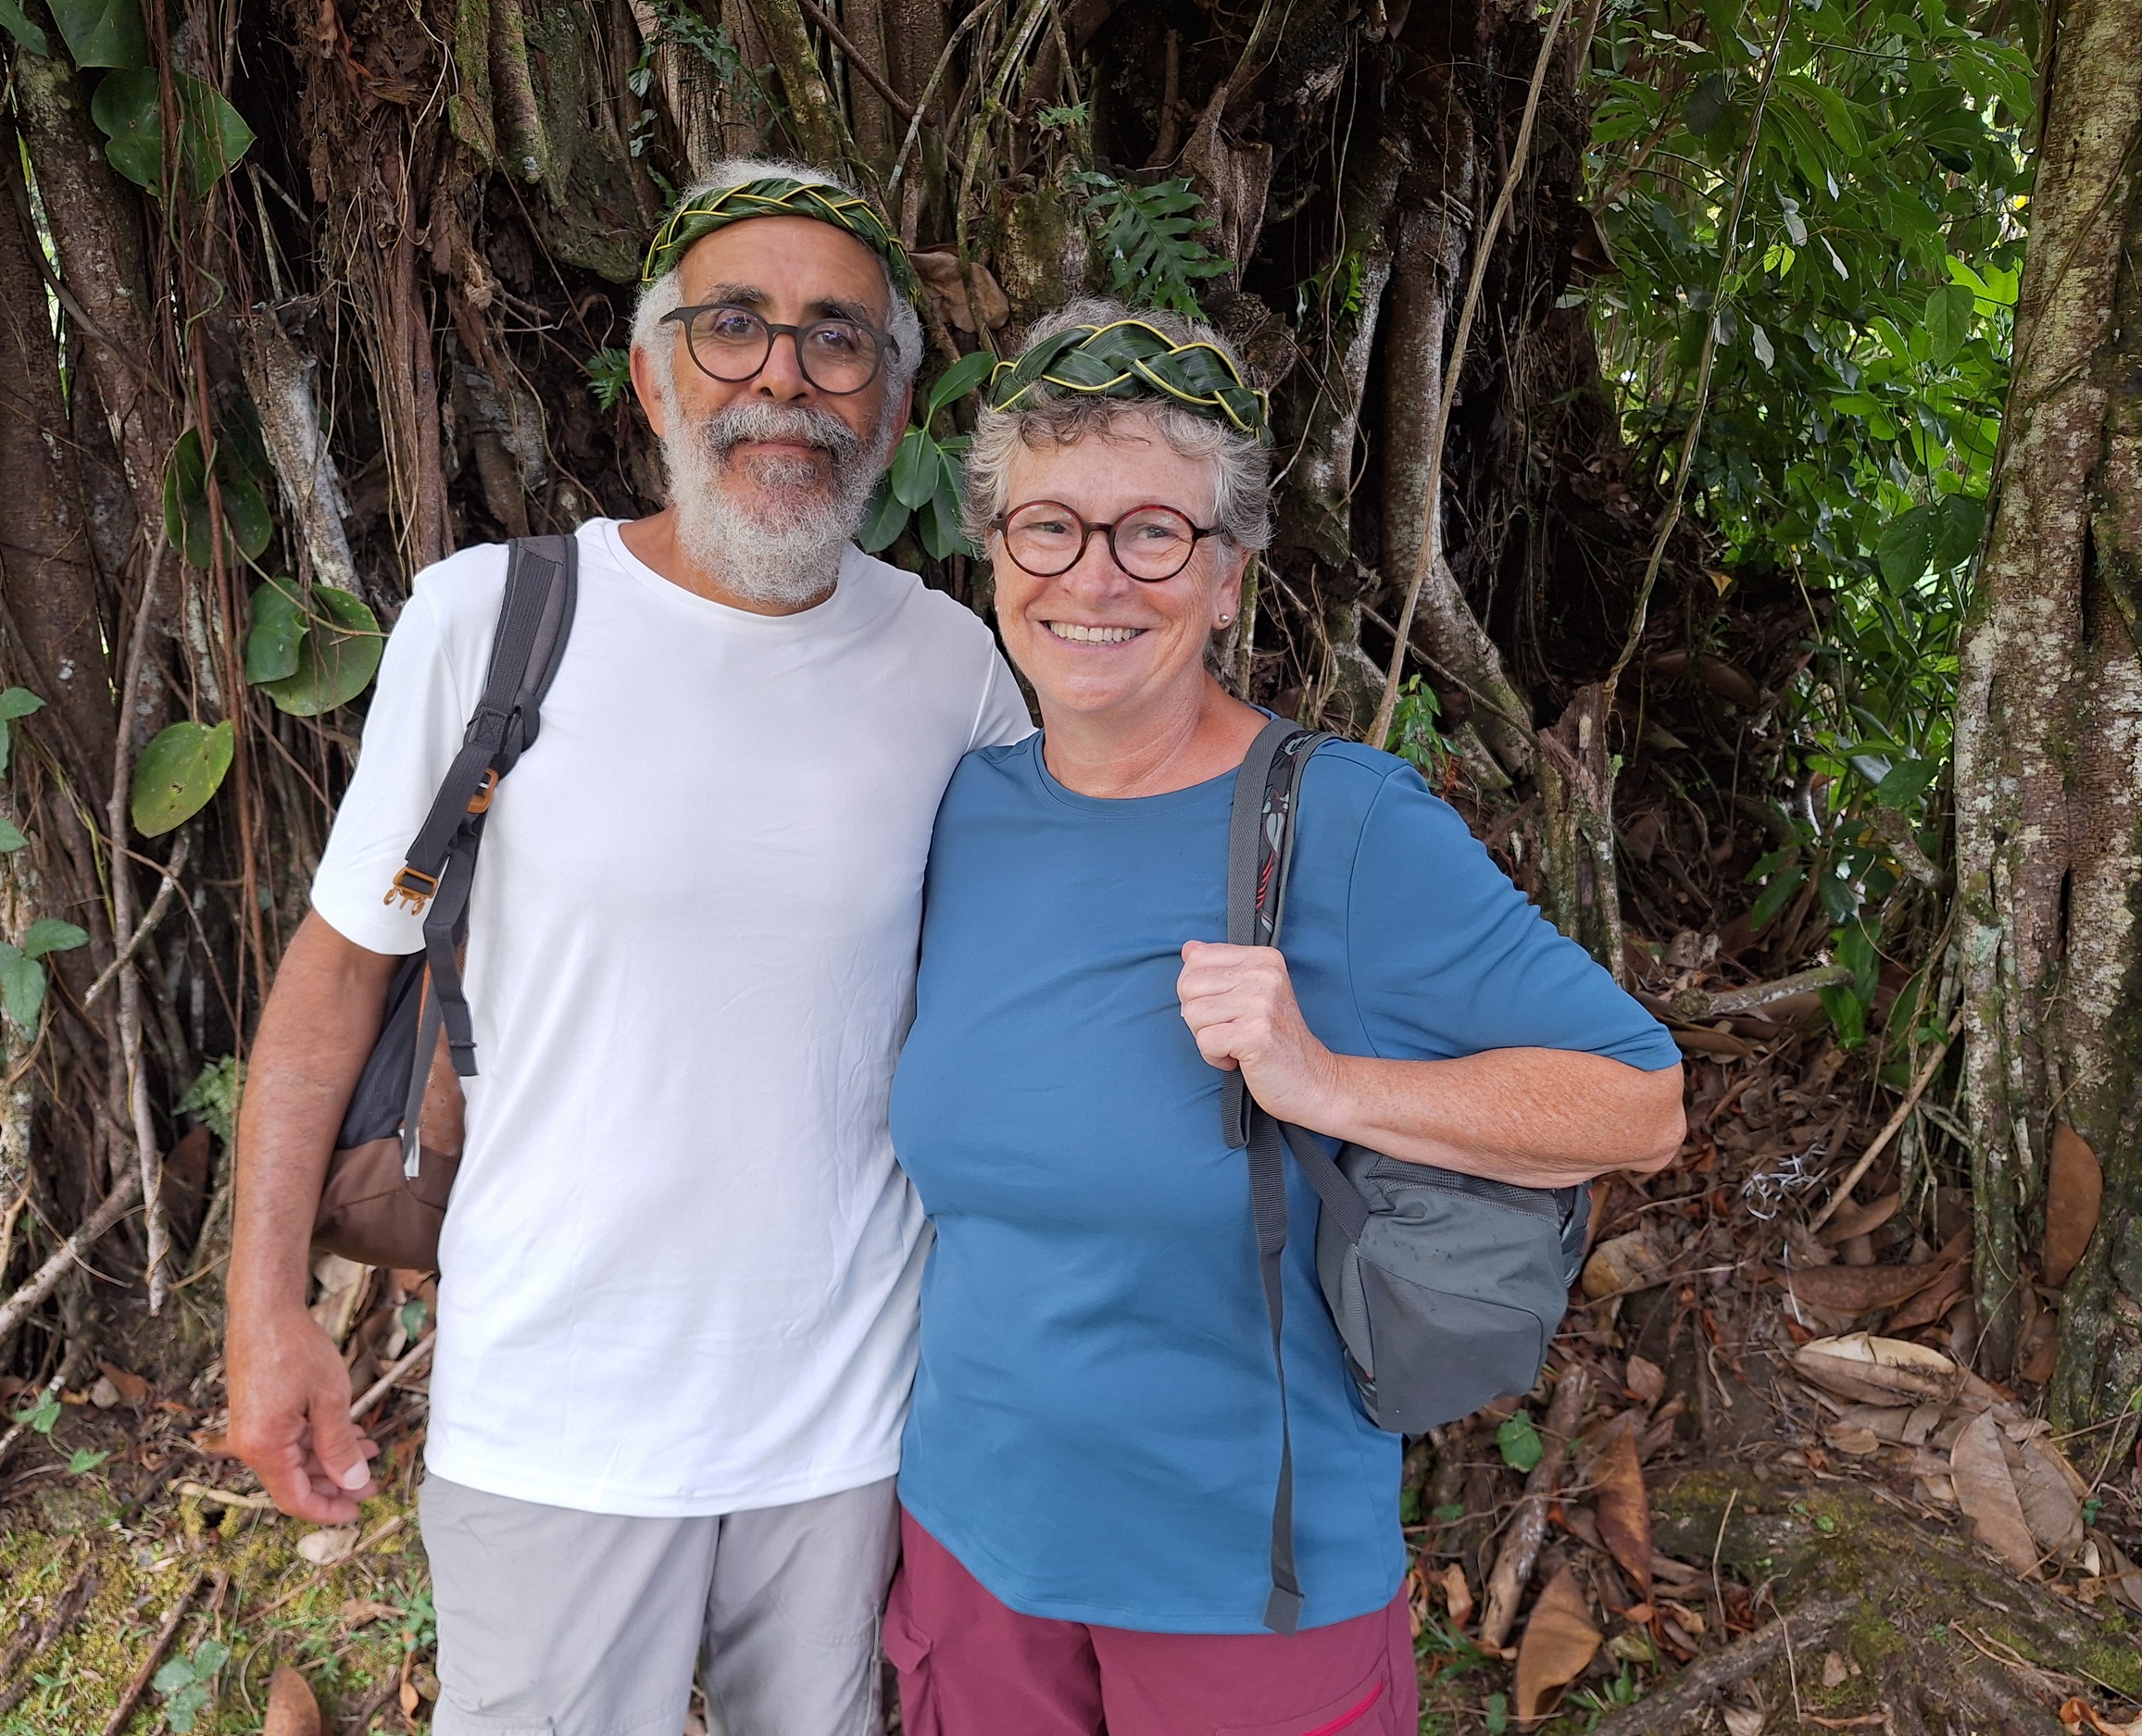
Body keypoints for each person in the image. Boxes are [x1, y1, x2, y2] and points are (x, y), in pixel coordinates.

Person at [224, 160, 1031, 1736]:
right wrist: (266, 1314)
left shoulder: (956, 670)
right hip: (559, 1423)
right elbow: (336, 978)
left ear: (895, 403)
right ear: (658, 369)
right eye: (734, 325)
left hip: (856, 1434)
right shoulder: (496, 622)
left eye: (837, 337)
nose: (784, 375)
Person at [883, 302, 1686, 1736]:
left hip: (1242, 1586)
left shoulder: (1346, 824)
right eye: (1048, 526)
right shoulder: (965, 807)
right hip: (972, 1548)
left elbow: (1638, 1102)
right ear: (994, 554)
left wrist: (1328, 1082)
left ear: (1231, 574)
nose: (1097, 577)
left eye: (1155, 532)